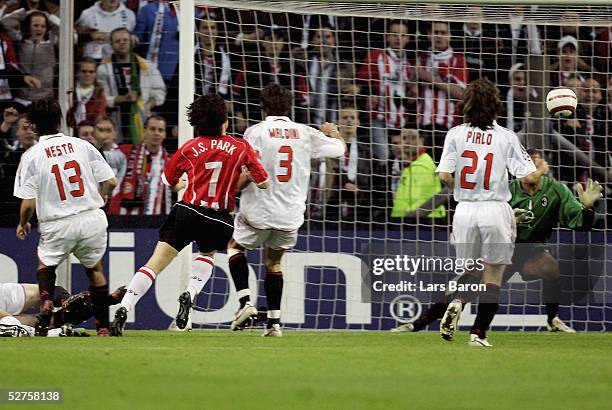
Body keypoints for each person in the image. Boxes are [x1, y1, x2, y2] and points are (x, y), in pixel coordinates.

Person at [393, 150, 603, 334]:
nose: (532, 167)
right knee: (464, 290)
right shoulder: (505, 190)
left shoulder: (557, 190)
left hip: (533, 250)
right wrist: (509, 220)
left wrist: (587, 209)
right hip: (502, 248)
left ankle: (553, 320)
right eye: (526, 163)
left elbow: (580, 224)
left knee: (550, 268)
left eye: (537, 163)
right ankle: (418, 324)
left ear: (544, 168)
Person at [110, 94, 268, 336]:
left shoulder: (190, 147)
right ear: (224, 121)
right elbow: (263, 180)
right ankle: (190, 293)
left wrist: (184, 183)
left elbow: (168, 180)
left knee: (154, 263)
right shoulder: (240, 146)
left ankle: (125, 305)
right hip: (219, 218)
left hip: (188, 210)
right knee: (207, 254)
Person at [226, 84, 345, 337]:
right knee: (274, 263)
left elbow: (248, 170)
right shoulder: (304, 132)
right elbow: (339, 150)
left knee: (234, 247)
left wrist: (232, 189)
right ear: (290, 106)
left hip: (258, 209)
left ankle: (245, 303)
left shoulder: (256, 131)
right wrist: (333, 131)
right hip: (290, 214)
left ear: (263, 106)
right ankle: (274, 324)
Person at [435, 78, 539, 347]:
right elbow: (529, 179)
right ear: (496, 106)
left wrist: (465, 188)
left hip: (465, 211)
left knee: (471, 271)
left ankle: (457, 301)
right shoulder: (506, 136)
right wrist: (541, 171)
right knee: (493, 275)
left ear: (466, 105)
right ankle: (478, 334)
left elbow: (445, 175)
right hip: (495, 209)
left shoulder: (455, 134)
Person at [13, 97, 117, 336]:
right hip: (91, 218)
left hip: (57, 223)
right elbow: (110, 181)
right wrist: (102, 197)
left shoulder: (32, 155)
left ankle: (48, 302)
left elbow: (28, 202)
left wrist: (23, 223)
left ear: (34, 126)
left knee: (46, 264)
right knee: (95, 270)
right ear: (59, 120)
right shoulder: (82, 145)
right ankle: (103, 328)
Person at [96, 27, 166, 144]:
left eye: (125, 40)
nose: (122, 43)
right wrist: (121, 99)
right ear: (111, 45)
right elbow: (101, 98)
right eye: (118, 41)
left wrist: (147, 105)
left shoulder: (146, 66)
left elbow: (160, 91)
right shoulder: (104, 68)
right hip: (116, 119)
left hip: (142, 118)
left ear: (131, 42)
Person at [357, 19, 414, 160]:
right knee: (383, 156)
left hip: (401, 119)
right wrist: (370, 93)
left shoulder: (411, 62)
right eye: (394, 34)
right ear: (387, 36)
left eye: (402, 35)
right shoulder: (376, 56)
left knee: (401, 159)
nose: (397, 38)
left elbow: (412, 92)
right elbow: (360, 82)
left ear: (408, 38)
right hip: (378, 117)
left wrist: (412, 94)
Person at [110, 115, 171, 215]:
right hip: (124, 215)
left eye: (160, 130)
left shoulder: (170, 162)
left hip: (156, 216)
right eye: (152, 129)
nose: (156, 133)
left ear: (164, 134)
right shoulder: (126, 152)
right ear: (144, 131)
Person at [389, 127, 446, 219]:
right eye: (404, 138)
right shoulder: (412, 164)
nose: (406, 142)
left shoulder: (422, 166)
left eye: (412, 138)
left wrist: (406, 221)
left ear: (421, 141)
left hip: (422, 223)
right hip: (406, 221)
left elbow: (420, 201)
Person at [67, 57, 107, 127]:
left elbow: (99, 118)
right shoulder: (69, 90)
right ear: (77, 72)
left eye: (91, 72)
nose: (87, 74)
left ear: (95, 74)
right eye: (84, 71)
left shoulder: (99, 93)